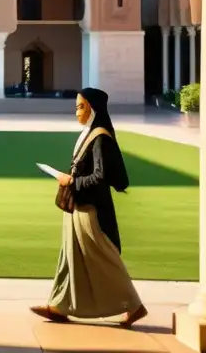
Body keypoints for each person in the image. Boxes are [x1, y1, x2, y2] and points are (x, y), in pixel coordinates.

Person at [31, 87, 147, 327]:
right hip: (77, 205)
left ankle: (134, 305)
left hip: (90, 210)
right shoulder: (89, 134)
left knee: (102, 258)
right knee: (70, 258)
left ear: (92, 109)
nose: (77, 112)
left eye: (80, 106)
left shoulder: (100, 137)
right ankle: (59, 305)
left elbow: (100, 177)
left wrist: (71, 181)